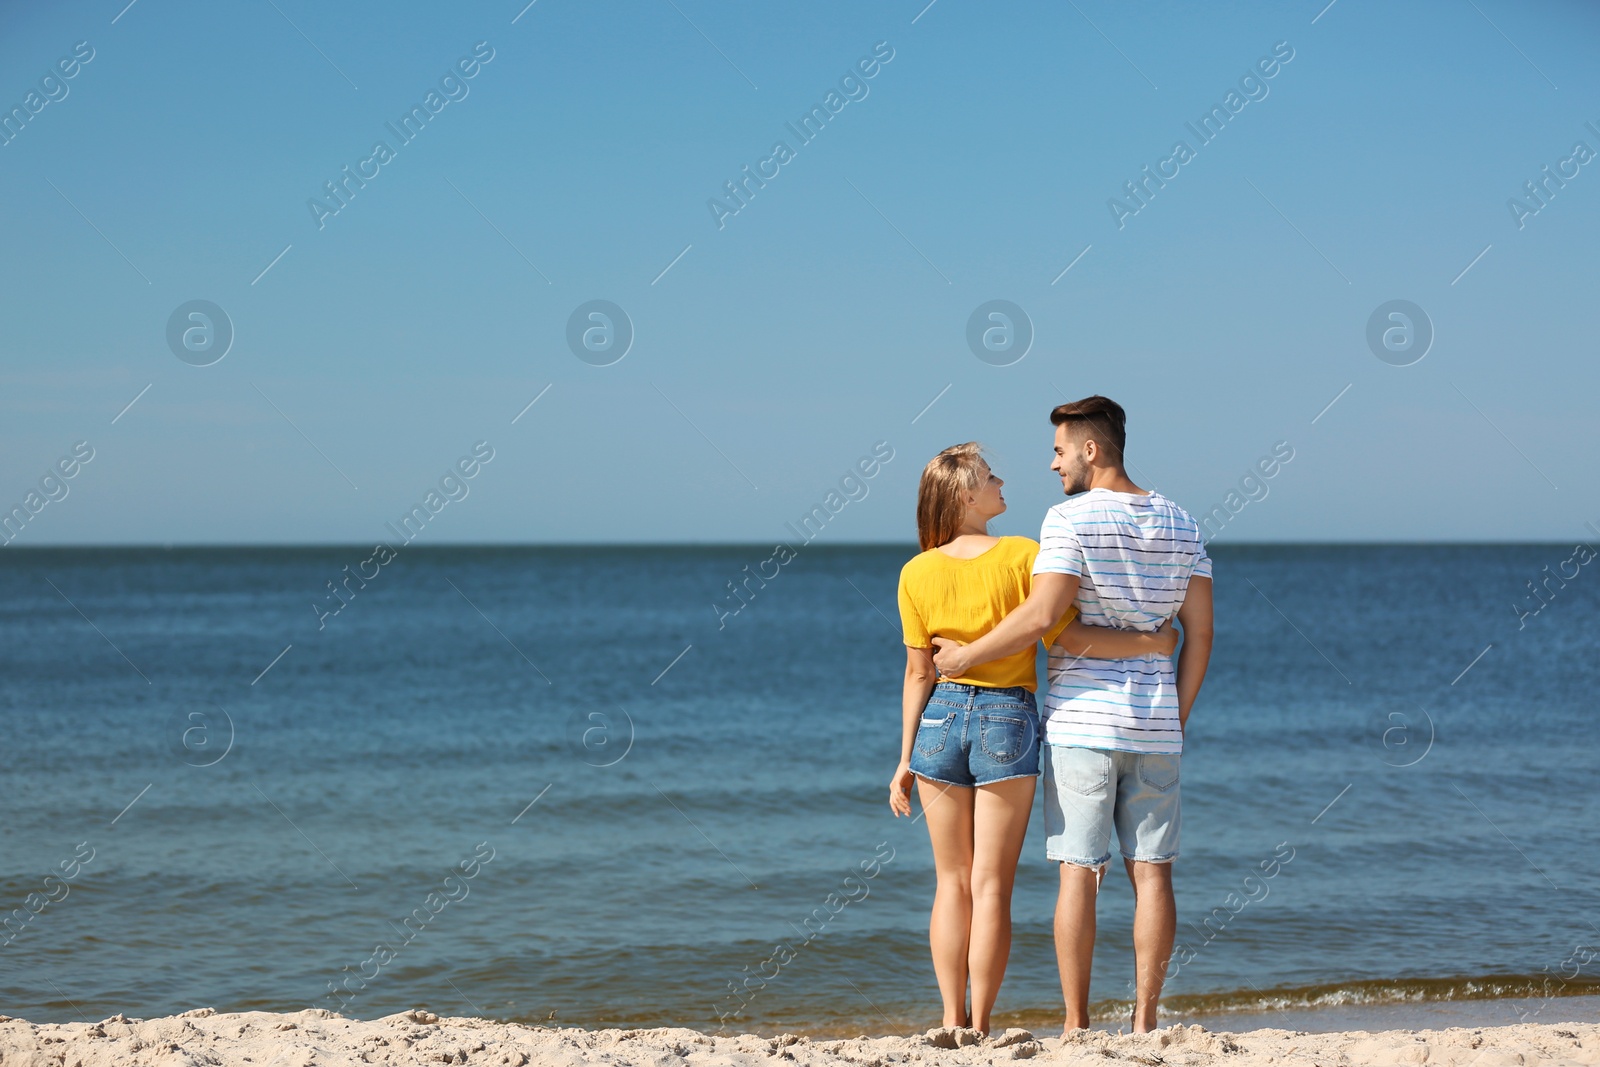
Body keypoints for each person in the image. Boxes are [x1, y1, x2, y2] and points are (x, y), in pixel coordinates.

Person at [931, 398, 1214, 1034]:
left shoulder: (1069, 519)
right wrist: (1176, 715)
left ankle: (1077, 1025)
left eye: (1060, 451)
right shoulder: (1182, 521)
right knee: (1153, 873)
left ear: (1091, 449)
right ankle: (1145, 1022)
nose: (1052, 462)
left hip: (1083, 723)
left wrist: (967, 655)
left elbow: (1042, 619)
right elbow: (1202, 633)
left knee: (1078, 874)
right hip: (1155, 725)